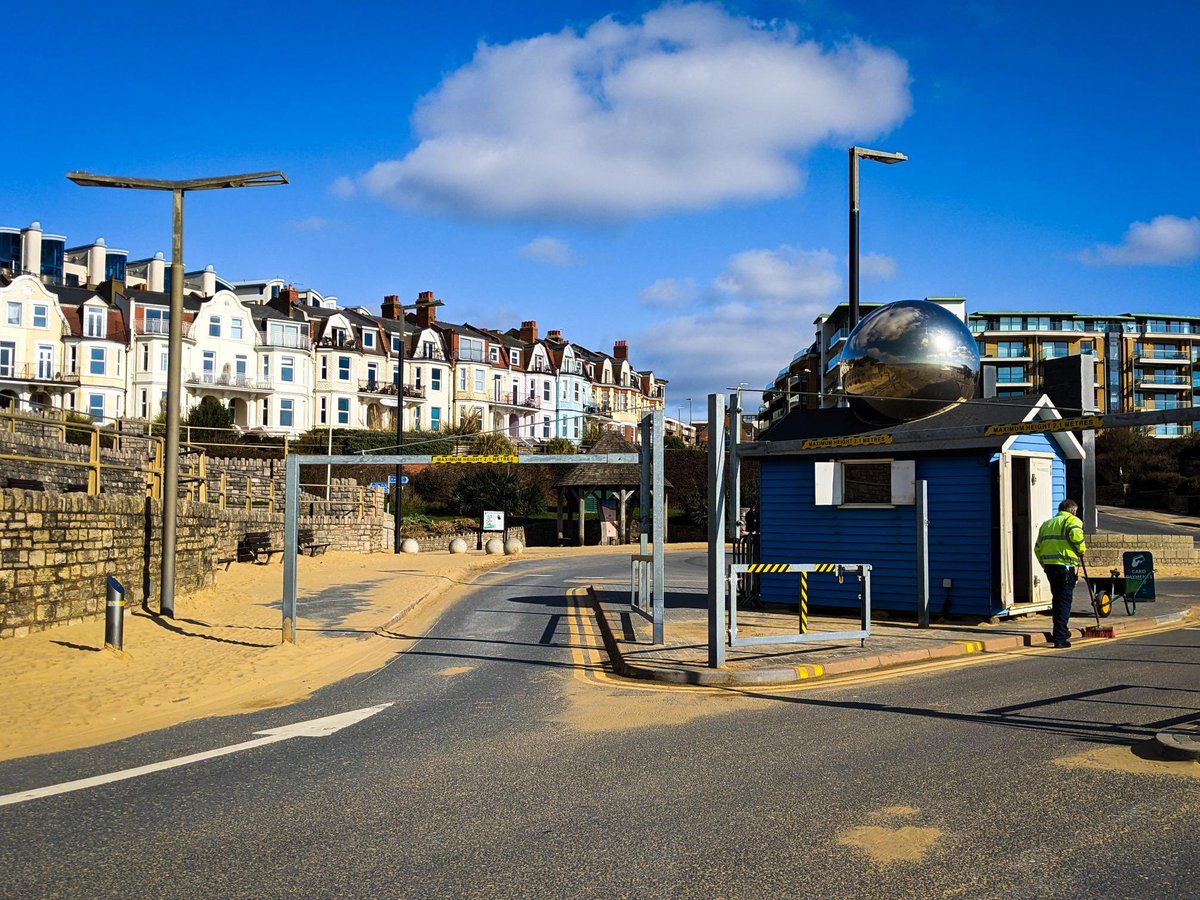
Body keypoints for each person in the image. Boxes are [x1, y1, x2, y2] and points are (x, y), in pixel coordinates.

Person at [1034, 499, 1088, 648]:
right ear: (1073, 511)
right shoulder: (1072, 521)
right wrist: (1082, 550)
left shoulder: (1047, 524)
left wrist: (1045, 564)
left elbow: (1037, 548)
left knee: (1057, 600)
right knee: (1064, 601)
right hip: (1065, 566)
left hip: (1050, 568)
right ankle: (1060, 638)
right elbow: (1077, 537)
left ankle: (1060, 631)